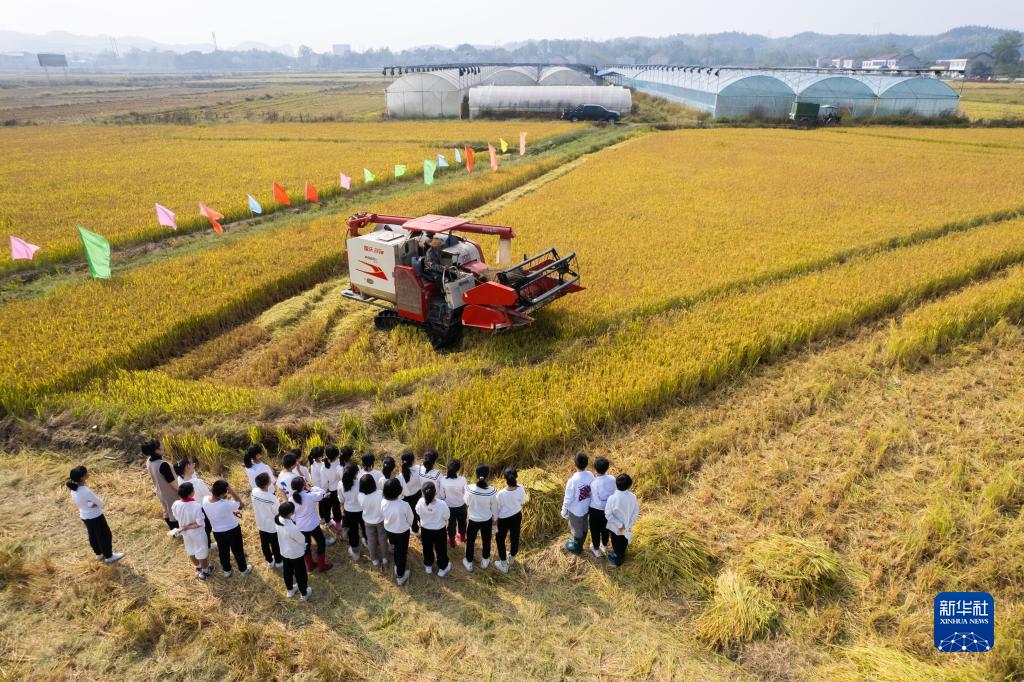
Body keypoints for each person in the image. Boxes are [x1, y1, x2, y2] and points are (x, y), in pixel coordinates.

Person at [67, 466, 124, 564]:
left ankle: (99, 554)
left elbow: (86, 502)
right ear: (82, 478)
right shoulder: (85, 490)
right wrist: (103, 499)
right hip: (95, 516)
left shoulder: (73, 489)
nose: (88, 474)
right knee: (105, 535)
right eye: (86, 473)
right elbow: (99, 503)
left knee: (93, 535)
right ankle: (109, 556)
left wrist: (92, 504)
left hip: (84, 515)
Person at [202, 479, 251, 577]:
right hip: (233, 530)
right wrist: (232, 491)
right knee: (238, 550)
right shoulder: (225, 504)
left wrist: (232, 512)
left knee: (223, 551)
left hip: (217, 532)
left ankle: (227, 571)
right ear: (222, 494)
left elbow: (217, 511)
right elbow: (241, 505)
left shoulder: (205, 500)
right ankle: (243, 570)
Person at [290, 477, 334, 573]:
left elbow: (292, 515)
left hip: (301, 526)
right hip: (313, 525)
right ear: (303, 485)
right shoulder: (311, 495)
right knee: (321, 542)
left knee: (306, 545)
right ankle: (321, 565)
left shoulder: (291, 498)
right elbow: (323, 493)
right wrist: (312, 488)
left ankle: (310, 565)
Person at [171, 482, 212, 580]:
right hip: (197, 534)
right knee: (201, 551)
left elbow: (176, 516)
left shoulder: (176, 504)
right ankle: (205, 571)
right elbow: (199, 523)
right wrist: (188, 526)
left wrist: (184, 527)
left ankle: (198, 567)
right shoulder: (196, 506)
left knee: (191, 549)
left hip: (185, 533)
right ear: (191, 493)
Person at [463, 464, 498, 572]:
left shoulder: (469, 488)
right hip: (486, 520)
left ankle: (468, 562)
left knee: (470, 541)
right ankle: (485, 560)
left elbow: (466, 502)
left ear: (476, 474)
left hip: (473, 519)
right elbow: (494, 507)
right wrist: (495, 519)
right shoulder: (492, 491)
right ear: (487, 475)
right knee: (486, 540)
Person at [275, 502, 313, 600]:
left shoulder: (277, 519)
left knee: (287, 571)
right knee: (300, 573)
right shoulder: (292, 528)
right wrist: (304, 546)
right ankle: (304, 593)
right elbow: (301, 539)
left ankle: (290, 590)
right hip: (295, 554)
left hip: (284, 551)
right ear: (290, 513)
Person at [174, 459, 213, 550]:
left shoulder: (180, 479)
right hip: (202, 508)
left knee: (201, 528)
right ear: (187, 466)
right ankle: (207, 546)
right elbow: (208, 495)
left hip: (190, 508)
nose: (194, 465)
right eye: (191, 464)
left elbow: (192, 475)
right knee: (207, 527)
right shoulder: (197, 482)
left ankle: (207, 544)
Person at [560, 452, 594, 556]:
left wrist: (564, 510)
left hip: (575, 511)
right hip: (587, 507)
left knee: (576, 528)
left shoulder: (572, 481)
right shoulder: (590, 475)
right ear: (587, 463)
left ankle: (577, 547)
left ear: (574, 463)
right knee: (584, 525)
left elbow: (568, 498)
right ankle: (582, 541)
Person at [381, 478, 414, 586]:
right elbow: (411, 519)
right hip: (402, 532)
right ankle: (400, 575)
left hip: (389, 530)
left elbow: (383, 515)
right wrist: (408, 525)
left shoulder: (383, 502)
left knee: (395, 548)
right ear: (399, 491)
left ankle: (397, 565)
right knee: (402, 552)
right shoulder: (404, 505)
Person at [142, 439, 179, 535]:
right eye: (161, 445)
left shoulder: (149, 461)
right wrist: (181, 491)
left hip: (159, 491)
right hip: (170, 492)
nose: (163, 446)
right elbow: (172, 481)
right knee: (174, 512)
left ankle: (173, 531)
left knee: (166, 510)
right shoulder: (163, 464)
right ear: (157, 450)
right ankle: (177, 532)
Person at [415, 482, 451, 577]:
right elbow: (447, 516)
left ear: (423, 493)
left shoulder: (420, 502)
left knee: (427, 548)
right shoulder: (442, 504)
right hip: (439, 530)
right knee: (441, 549)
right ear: (435, 492)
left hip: (425, 530)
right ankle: (443, 568)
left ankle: (428, 565)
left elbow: (418, 511)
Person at [495, 467, 526, 574]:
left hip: (504, 519)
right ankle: (511, 557)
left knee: (500, 539)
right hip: (517, 515)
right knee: (515, 536)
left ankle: (503, 563)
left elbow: (497, 509)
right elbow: (522, 501)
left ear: (505, 479)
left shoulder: (500, 493)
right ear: (516, 476)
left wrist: (494, 521)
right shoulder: (521, 488)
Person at [604, 473, 639, 567]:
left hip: (616, 528)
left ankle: (618, 559)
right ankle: (622, 552)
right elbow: (636, 511)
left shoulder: (612, 498)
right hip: (627, 525)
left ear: (616, 484)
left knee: (616, 542)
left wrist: (619, 525)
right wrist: (629, 523)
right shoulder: (633, 496)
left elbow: (608, 514)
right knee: (625, 539)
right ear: (629, 485)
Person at [251, 472, 283, 569]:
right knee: (275, 545)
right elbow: (278, 512)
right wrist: (279, 501)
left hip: (261, 523)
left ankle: (269, 560)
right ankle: (278, 561)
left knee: (264, 544)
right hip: (272, 526)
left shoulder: (254, 491)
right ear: (267, 483)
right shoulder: (271, 498)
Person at [358, 474, 389, 568]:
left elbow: (361, 507)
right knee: (383, 539)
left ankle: (374, 559)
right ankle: (385, 558)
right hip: (380, 520)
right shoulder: (380, 493)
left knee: (371, 541)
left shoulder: (360, 496)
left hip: (368, 521)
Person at [588, 457, 617, 558]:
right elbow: (615, 492)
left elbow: (597, 501)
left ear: (595, 469)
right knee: (606, 529)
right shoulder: (613, 479)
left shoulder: (594, 483)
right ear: (607, 467)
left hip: (596, 511)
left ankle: (596, 548)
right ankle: (604, 545)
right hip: (609, 509)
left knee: (595, 530)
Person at [440, 459, 467, 547]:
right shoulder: (462, 480)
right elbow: (465, 493)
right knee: (462, 522)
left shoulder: (443, 480)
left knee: (451, 525)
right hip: (461, 505)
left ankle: (452, 541)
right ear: (458, 469)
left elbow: (442, 495)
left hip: (449, 506)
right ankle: (462, 537)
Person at [339, 463, 363, 561]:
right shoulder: (360, 483)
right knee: (365, 527)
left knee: (353, 532)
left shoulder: (340, 484)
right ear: (356, 473)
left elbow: (341, 500)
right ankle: (368, 542)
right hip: (361, 510)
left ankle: (355, 552)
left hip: (349, 511)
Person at [399, 451, 423, 534]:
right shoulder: (419, 469)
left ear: (402, 462)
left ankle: (415, 530)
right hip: (418, 494)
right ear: (413, 461)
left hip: (407, 497)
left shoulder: (401, 475)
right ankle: (422, 524)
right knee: (420, 510)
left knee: (411, 513)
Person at [323, 445, 344, 531]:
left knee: (327, 506)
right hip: (338, 489)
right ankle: (338, 523)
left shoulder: (324, 467)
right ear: (337, 454)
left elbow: (324, 482)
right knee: (336, 507)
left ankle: (327, 521)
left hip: (329, 489)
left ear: (326, 455)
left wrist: (325, 490)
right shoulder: (340, 463)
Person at [308, 446, 329, 526]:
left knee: (321, 503)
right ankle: (323, 518)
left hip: (317, 486)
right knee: (324, 503)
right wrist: (326, 489)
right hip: (321, 487)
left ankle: (322, 517)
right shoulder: (320, 466)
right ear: (320, 456)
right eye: (323, 453)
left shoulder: (313, 462)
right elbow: (324, 478)